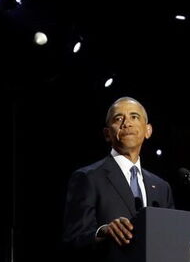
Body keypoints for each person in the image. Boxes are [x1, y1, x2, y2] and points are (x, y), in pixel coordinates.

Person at [62, 96, 173, 254]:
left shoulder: (162, 187)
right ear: (107, 134)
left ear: (148, 130)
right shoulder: (88, 177)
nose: (126, 123)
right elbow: (73, 240)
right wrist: (103, 232)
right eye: (118, 118)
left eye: (134, 117)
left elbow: (170, 238)